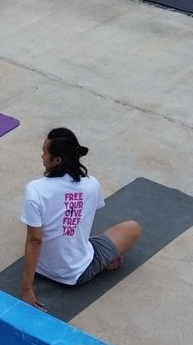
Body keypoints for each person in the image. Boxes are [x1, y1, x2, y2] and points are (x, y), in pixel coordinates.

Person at [17, 128, 143, 310]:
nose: (42, 156)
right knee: (133, 227)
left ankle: (97, 259)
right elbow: (83, 217)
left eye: (45, 152)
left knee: (39, 225)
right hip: (77, 273)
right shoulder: (92, 184)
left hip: (40, 268)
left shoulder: (35, 189)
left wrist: (26, 289)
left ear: (57, 160)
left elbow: (35, 240)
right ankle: (102, 263)